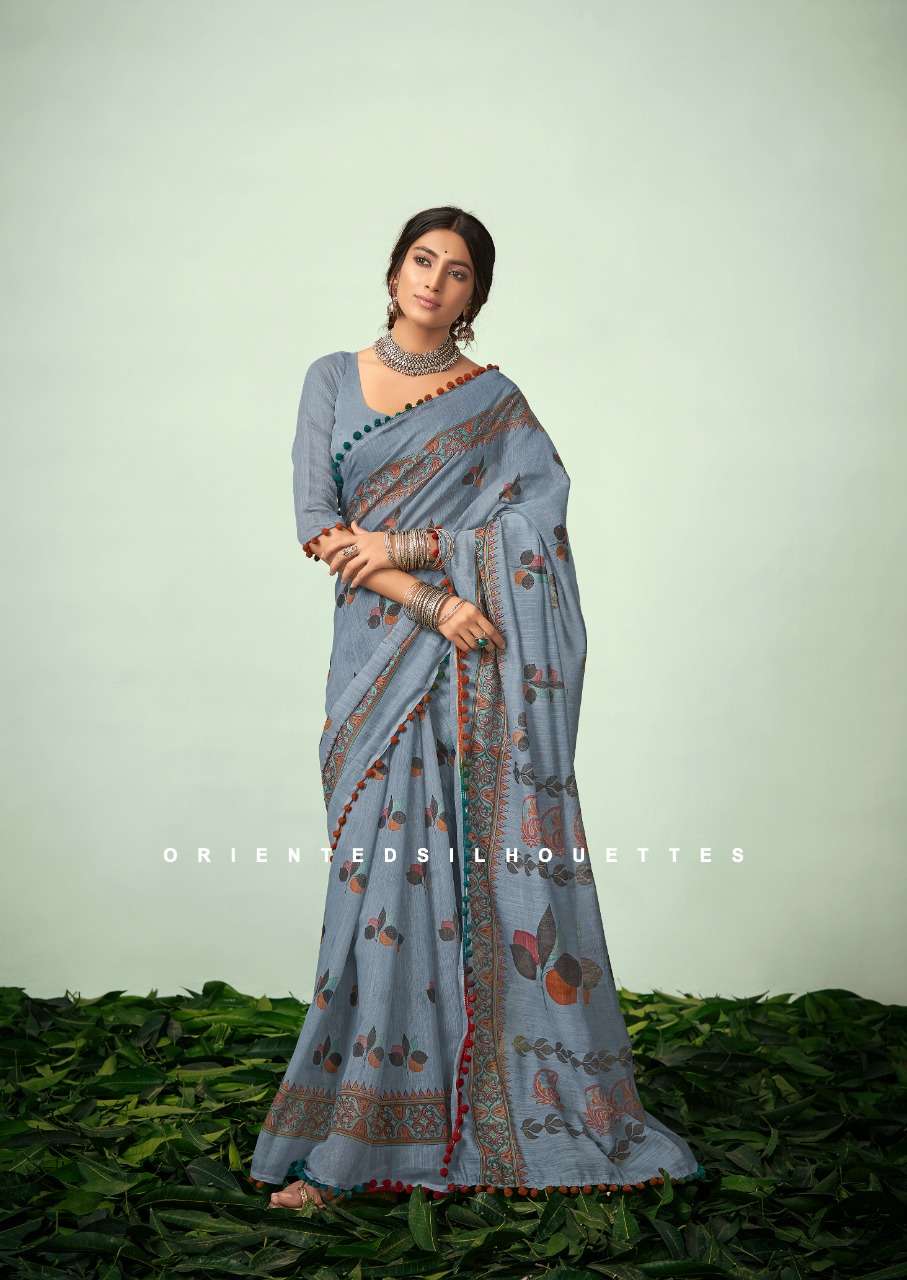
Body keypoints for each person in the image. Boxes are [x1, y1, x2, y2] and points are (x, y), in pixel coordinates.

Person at [248, 206, 702, 1211]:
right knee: (372, 894)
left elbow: (537, 523)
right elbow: (319, 526)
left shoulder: (494, 403)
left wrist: (417, 550)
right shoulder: (331, 379)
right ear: (393, 270)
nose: (434, 280)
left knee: (472, 884)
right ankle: (354, 1127)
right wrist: (433, 600)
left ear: (474, 296)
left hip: (470, 677)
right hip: (379, 663)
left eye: (457, 272)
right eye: (422, 260)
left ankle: (451, 1121)